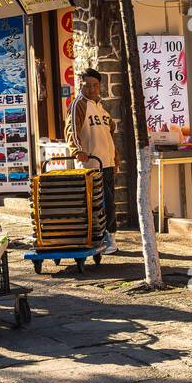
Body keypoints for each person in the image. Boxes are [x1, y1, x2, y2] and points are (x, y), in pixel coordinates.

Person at [67, 68, 119, 255]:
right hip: (91, 164)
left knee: (108, 202)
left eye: (95, 85)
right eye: (87, 85)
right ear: (81, 85)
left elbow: (109, 133)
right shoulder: (78, 105)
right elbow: (72, 130)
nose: (91, 89)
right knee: (103, 202)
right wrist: (77, 150)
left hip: (107, 163)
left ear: (100, 86)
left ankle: (108, 237)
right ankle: (106, 237)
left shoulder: (102, 107)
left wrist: (115, 159)